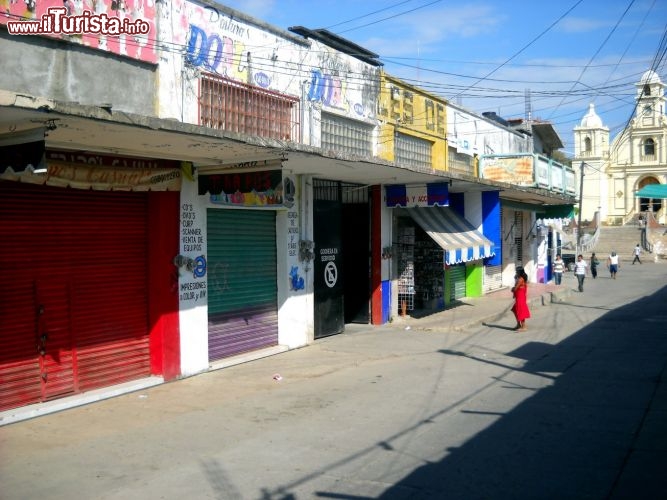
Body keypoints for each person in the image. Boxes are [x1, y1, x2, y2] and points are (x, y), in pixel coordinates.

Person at [511, 267, 530, 331]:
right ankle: (518, 324)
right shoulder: (519, 278)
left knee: (521, 311)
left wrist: (512, 289)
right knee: (515, 309)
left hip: (520, 297)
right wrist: (515, 278)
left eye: (517, 271)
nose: (516, 272)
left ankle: (523, 327)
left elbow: (515, 288)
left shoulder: (521, 279)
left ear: (520, 272)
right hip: (519, 296)